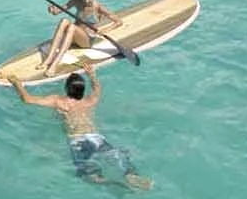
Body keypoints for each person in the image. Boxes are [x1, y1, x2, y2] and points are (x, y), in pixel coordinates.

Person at [10, 67, 151, 189]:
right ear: (82, 90)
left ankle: (115, 184)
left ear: (66, 89)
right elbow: (97, 88)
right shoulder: (90, 101)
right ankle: (130, 175)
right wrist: (92, 74)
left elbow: (27, 99)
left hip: (77, 141)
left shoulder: (59, 101)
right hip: (95, 137)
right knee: (117, 157)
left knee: (90, 176)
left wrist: (16, 82)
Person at [38, 0, 122, 77]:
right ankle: (49, 58)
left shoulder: (99, 7)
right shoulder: (76, 1)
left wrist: (105, 30)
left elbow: (119, 22)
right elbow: (57, 12)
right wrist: (51, 9)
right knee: (64, 20)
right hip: (72, 36)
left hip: (86, 41)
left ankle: (54, 65)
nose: (86, 1)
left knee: (72, 27)